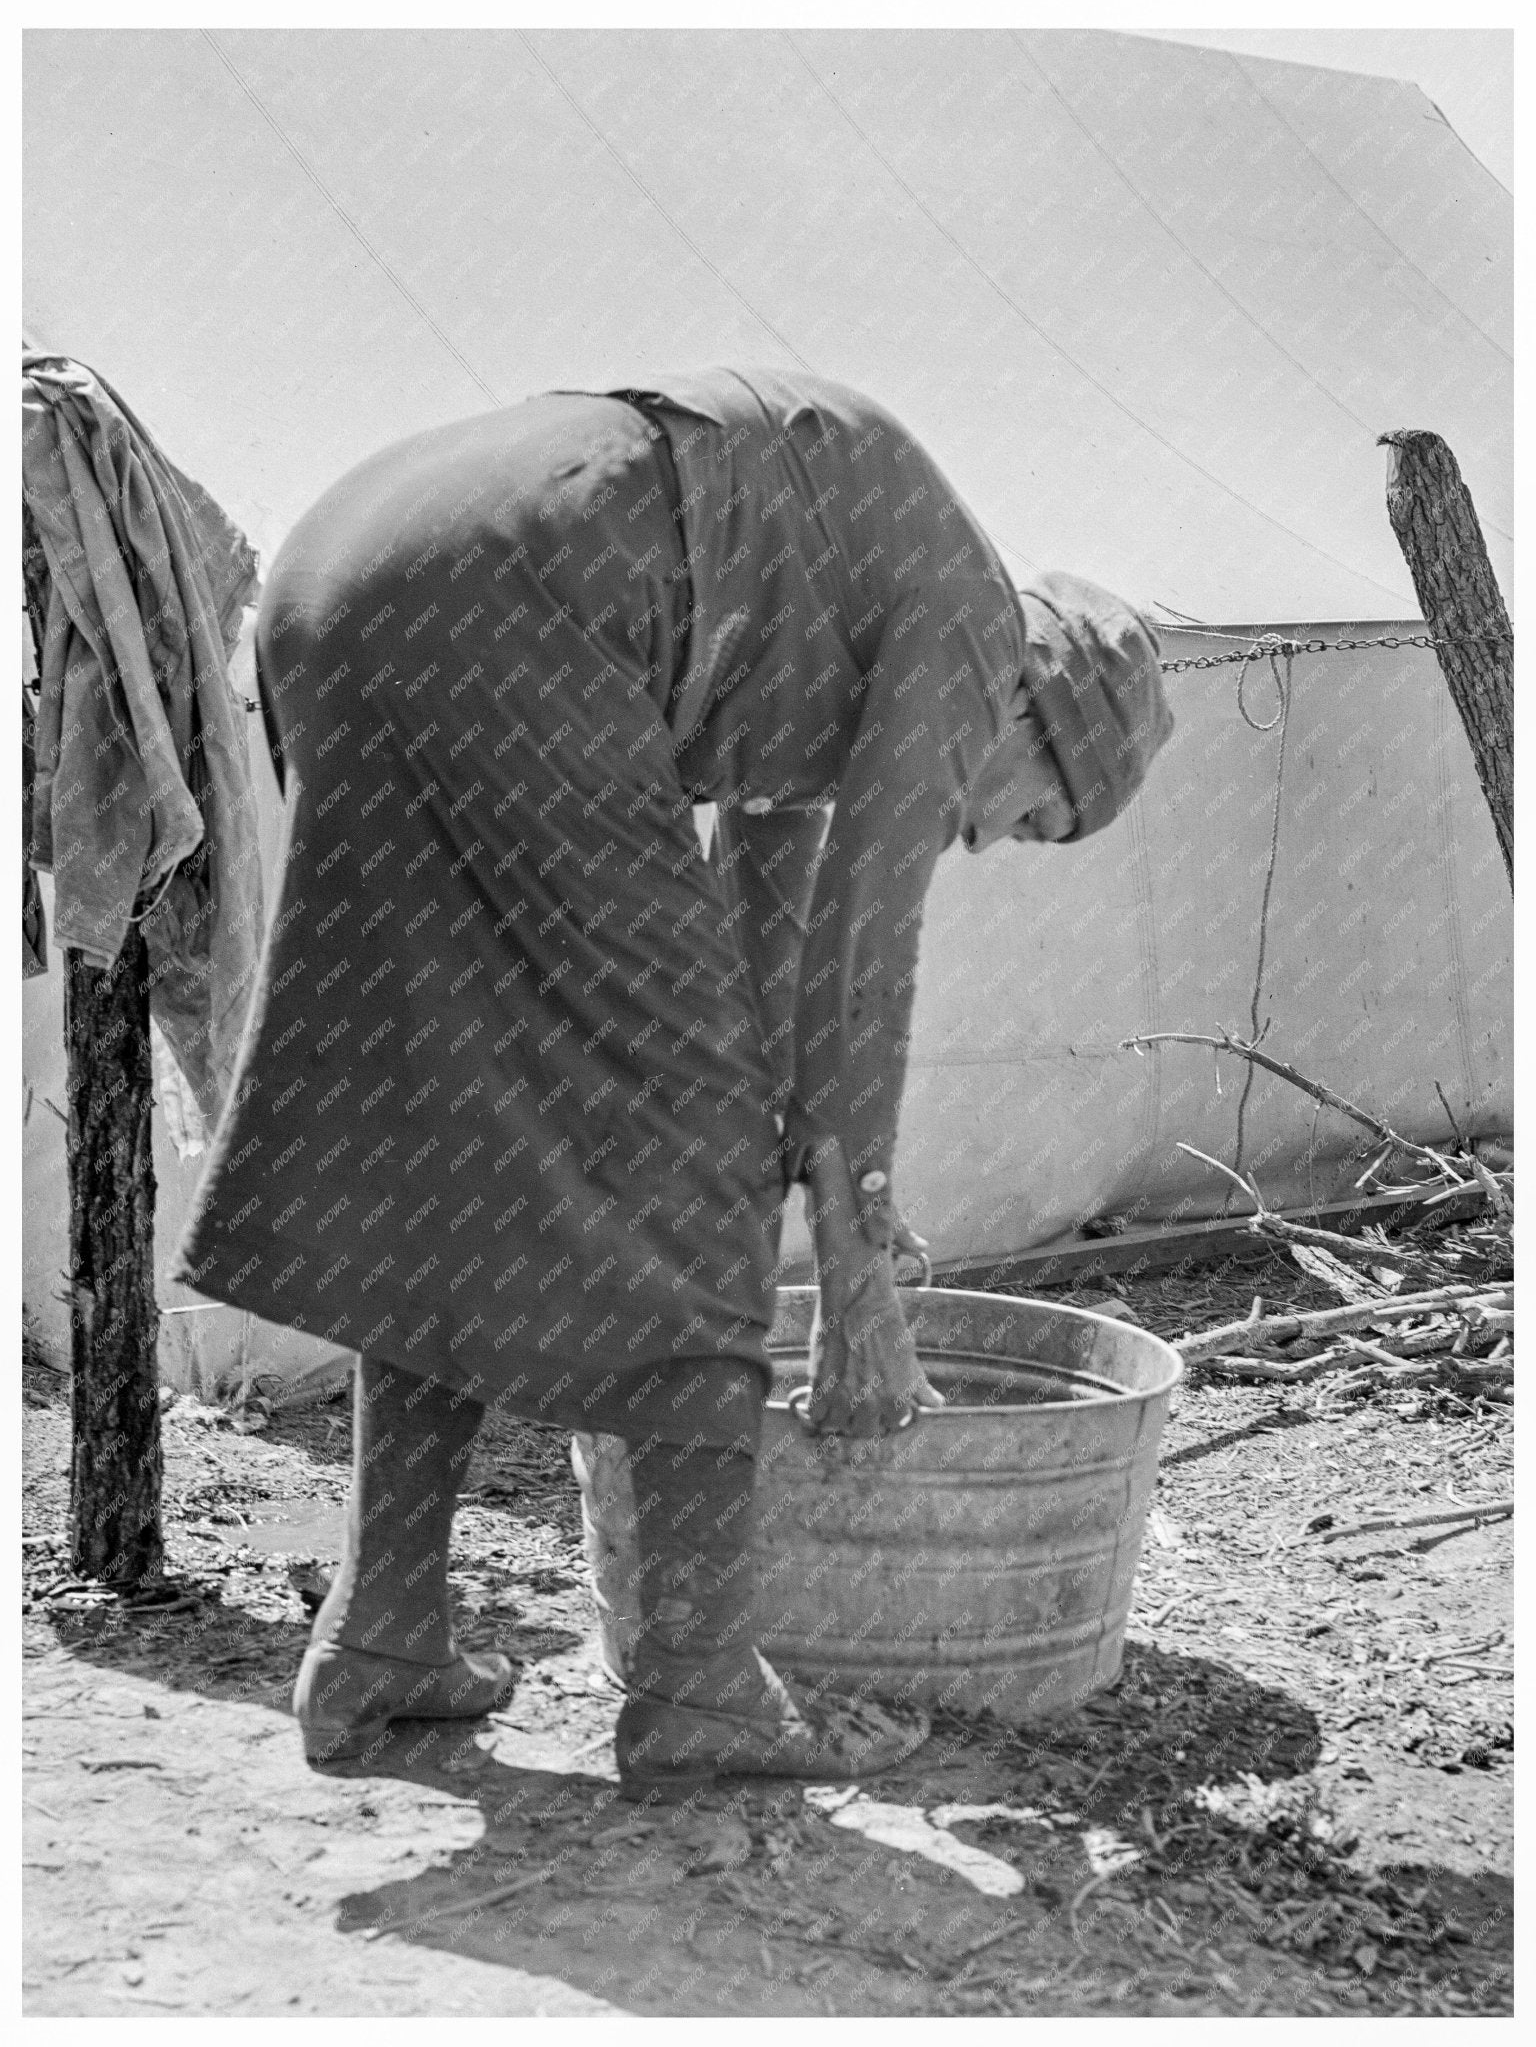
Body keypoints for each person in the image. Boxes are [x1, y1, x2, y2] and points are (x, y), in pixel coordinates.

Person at [173, 366, 1172, 1797]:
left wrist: (804, 1151)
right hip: (508, 610)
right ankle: (700, 1683)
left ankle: (382, 1631)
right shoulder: (966, 626)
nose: (993, 840)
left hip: (348, 584)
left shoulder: (846, 602)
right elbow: (861, 954)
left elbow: (767, 928)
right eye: (1036, 815)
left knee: (459, 1136)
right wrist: (855, 1275)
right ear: (1043, 709)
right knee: (689, 1150)